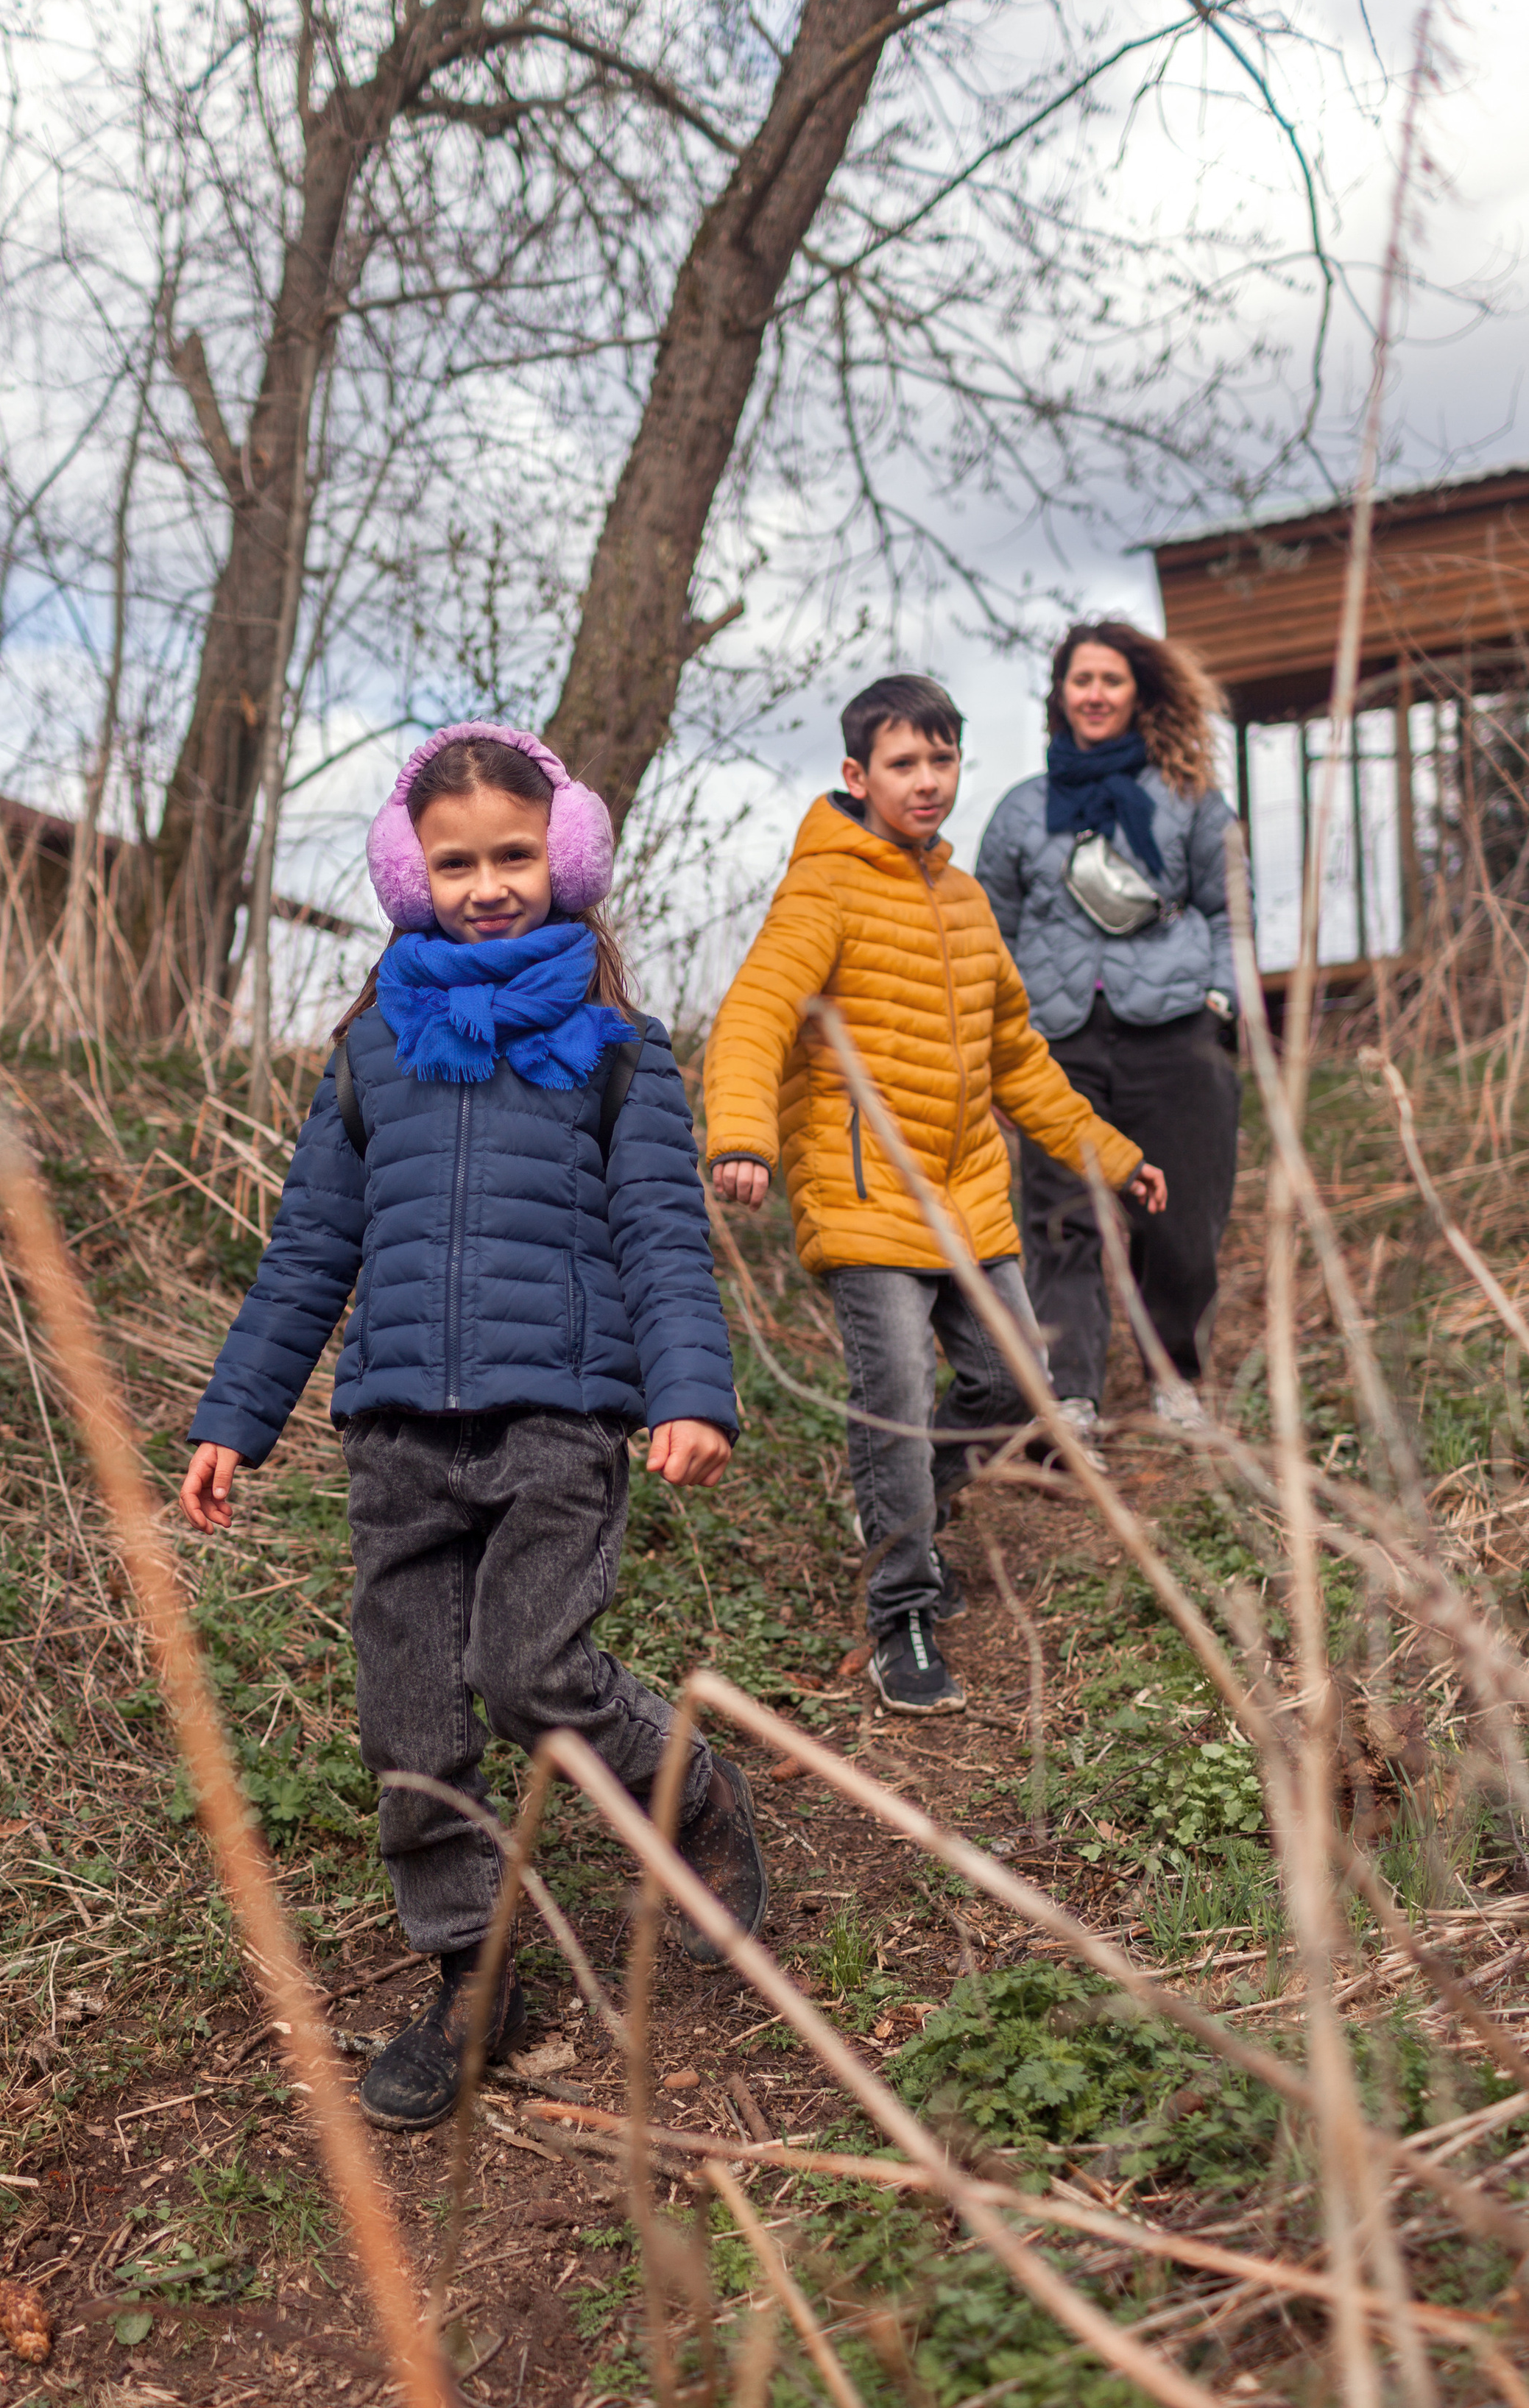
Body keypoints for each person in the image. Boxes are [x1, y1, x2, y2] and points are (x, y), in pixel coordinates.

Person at [179, 723, 766, 2133]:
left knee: (529, 1675)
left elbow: (661, 1237)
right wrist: (235, 1417)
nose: (490, 883)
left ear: (566, 858)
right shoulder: (375, 1052)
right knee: (410, 1720)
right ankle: (472, 1971)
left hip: (559, 1421)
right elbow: (309, 1249)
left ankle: (690, 1798)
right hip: (395, 1435)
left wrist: (689, 1388)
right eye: (458, 862)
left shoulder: (620, 1051)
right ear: (409, 872)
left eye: (515, 855)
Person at [703, 674, 1165, 1716]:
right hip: (865, 1199)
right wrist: (740, 1136)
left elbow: (1019, 1056)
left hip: (968, 1195)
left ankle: (901, 1504)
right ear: (857, 776)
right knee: (899, 1403)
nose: (927, 780)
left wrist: (1109, 1152)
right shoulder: (822, 890)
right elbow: (752, 1016)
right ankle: (902, 1605)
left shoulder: (962, 900)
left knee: (1010, 1386)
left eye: (942, 760)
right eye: (904, 763)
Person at [974, 618, 1245, 1436]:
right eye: (1080, 680)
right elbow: (990, 928)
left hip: (1175, 1030)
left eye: (1110, 680)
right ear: (1060, 695)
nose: (1094, 694)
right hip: (1054, 1042)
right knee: (1063, 1220)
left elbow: (1230, 909)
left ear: (1139, 694)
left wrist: (1222, 1004)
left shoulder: (1191, 797)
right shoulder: (1022, 811)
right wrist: (994, 1037)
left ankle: (1175, 1376)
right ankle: (1074, 1396)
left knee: (1184, 1220)